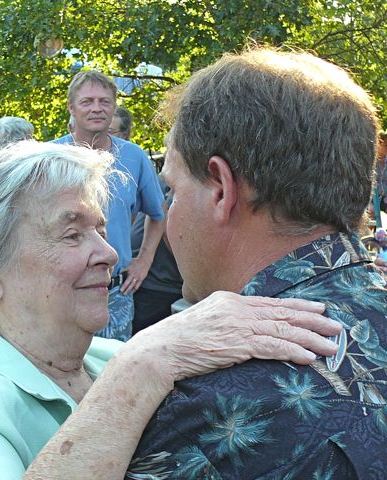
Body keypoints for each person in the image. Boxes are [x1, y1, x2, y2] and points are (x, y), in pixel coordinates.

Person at [0, 140, 341, 479]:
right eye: (71, 235)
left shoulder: (107, 358)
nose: (109, 253)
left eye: (101, 230)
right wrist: (145, 365)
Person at [128, 47, 387, 478]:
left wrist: (133, 368)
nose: (169, 212)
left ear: (220, 189)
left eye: (172, 189)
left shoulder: (207, 415)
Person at [54, 71, 165, 341]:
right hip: (63, 290)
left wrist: (144, 261)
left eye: (104, 101)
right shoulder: (51, 157)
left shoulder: (133, 157)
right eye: (87, 101)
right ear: (71, 107)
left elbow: (158, 215)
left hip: (115, 292)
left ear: (114, 106)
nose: (96, 108)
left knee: (113, 372)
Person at [131, 179, 183, 334]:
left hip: (147, 278)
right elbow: (168, 225)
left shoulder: (160, 177)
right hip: (157, 282)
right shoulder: (179, 176)